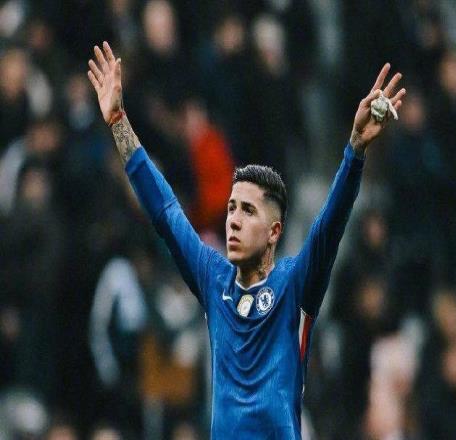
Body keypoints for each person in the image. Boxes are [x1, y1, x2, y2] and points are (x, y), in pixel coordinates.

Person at [87, 41, 405, 439]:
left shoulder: (295, 285)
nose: (234, 221)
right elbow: (165, 210)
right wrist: (118, 121)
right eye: (232, 209)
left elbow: (330, 225)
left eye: (248, 211)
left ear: (274, 232)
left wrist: (355, 151)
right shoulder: (213, 278)